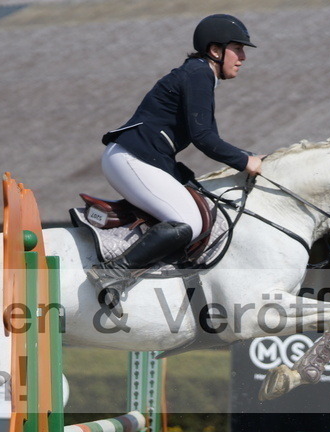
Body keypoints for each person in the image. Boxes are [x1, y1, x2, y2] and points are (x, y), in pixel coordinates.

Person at [89, 14, 264, 313]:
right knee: (189, 223)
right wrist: (245, 160)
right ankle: (112, 274)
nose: (244, 57)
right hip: (132, 159)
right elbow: (205, 138)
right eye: (238, 48)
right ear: (215, 51)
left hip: (142, 158)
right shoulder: (199, 75)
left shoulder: (200, 74)